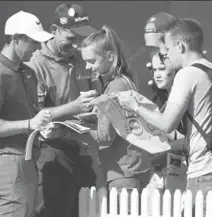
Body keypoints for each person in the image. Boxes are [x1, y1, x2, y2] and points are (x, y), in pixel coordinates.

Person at [119, 18, 212, 212]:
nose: (166, 56)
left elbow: (166, 123)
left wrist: (135, 106)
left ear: (180, 46)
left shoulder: (187, 74)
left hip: (203, 170)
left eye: (168, 50)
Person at [61, 25, 152, 213]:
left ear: (110, 57)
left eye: (92, 61)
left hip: (122, 172)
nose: (87, 66)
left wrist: (70, 131)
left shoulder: (115, 86)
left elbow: (105, 137)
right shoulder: (124, 80)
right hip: (130, 168)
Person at [0, 11, 54, 217]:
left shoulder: (28, 73)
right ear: (16, 39)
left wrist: (42, 125)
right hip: (6, 166)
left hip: (26, 164)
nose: (38, 47)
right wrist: (29, 124)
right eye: (33, 41)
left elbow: (31, 115)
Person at [26, 4, 99, 217]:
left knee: (85, 211)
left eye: (80, 38)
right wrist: (74, 107)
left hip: (82, 151)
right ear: (54, 29)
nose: (76, 44)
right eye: (71, 37)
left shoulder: (80, 59)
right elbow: (34, 116)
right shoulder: (36, 65)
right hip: (51, 155)